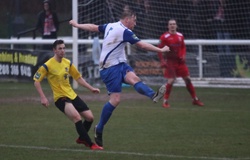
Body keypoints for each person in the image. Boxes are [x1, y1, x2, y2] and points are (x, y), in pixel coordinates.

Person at [69, 9, 169, 147]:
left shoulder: (111, 25)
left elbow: (93, 27)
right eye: (134, 20)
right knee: (115, 100)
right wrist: (161, 50)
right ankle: (99, 128)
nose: (135, 23)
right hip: (109, 68)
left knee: (135, 79)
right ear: (127, 19)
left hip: (120, 64)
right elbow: (141, 45)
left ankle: (153, 95)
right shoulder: (124, 31)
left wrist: (78, 25)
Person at [33, 40, 103, 150]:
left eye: (64, 48)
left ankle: (81, 138)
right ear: (54, 50)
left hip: (72, 95)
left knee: (90, 118)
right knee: (76, 117)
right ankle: (91, 144)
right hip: (60, 98)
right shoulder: (47, 65)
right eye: (60, 48)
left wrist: (91, 88)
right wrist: (43, 97)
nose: (62, 51)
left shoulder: (67, 63)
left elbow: (78, 78)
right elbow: (36, 81)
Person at [157, 19, 204, 108]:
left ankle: (195, 99)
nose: (172, 26)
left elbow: (183, 47)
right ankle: (165, 101)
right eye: (170, 24)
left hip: (180, 62)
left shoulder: (180, 36)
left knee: (188, 79)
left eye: (174, 24)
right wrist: (162, 60)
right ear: (168, 26)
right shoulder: (164, 37)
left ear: (176, 26)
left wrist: (183, 55)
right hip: (170, 62)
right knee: (171, 80)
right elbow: (159, 49)